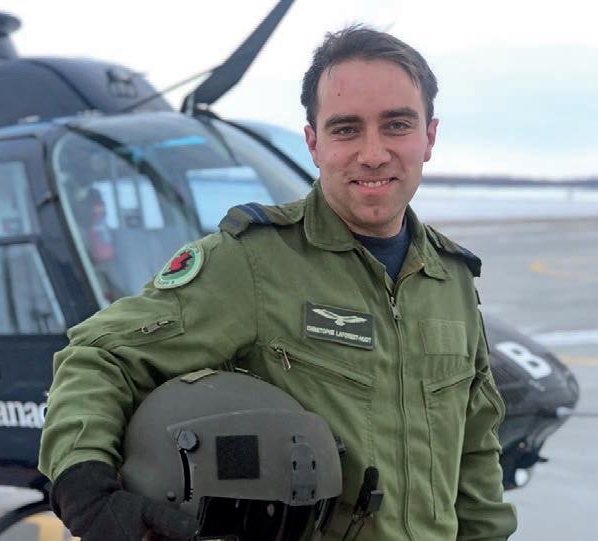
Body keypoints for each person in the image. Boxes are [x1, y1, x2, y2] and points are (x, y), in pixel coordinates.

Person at [39, 25, 518, 541]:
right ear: (314, 143)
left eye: (397, 125)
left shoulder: (450, 279)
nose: (373, 153)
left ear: (430, 137)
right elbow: (99, 355)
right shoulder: (254, 262)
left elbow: (475, 455)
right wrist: (85, 487)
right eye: (346, 129)